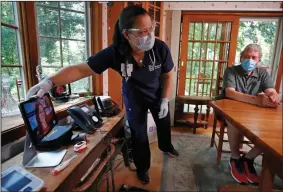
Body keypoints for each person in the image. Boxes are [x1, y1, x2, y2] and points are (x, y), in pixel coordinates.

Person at [27, 5, 179, 184]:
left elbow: (169, 74)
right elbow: (80, 69)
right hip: (134, 97)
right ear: (127, 34)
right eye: (142, 31)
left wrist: (164, 99)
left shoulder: (159, 48)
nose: (149, 35)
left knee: (163, 122)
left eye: (150, 29)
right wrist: (49, 81)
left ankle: (166, 145)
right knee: (138, 135)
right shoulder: (115, 52)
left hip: (157, 94)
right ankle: (143, 168)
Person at [222, 43, 280, 185]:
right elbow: (230, 92)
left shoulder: (263, 73)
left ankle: (248, 158)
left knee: (272, 130)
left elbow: (271, 90)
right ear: (241, 57)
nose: (250, 60)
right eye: (246, 57)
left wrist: (273, 96)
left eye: (253, 57)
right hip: (231, 109)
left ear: (259, 60)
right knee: (233, 122)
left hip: (254, 114)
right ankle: (235, 158)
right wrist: (256, 100)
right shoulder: (231, 70)